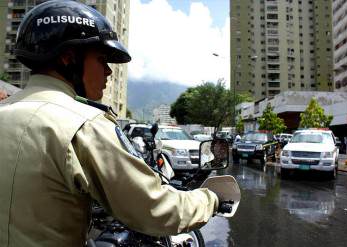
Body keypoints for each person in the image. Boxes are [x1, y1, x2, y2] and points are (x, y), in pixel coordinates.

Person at [0, 1, 219, 246]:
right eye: (102, 59)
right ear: (68, 58)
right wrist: (211, 199)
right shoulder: (84, 125)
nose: (108, 72)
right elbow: (157, 210)